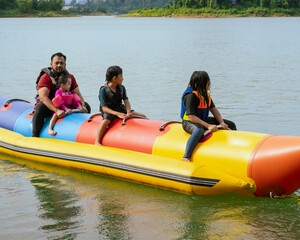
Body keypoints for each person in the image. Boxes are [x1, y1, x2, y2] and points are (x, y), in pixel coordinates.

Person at [180, 71, 236, 162]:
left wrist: (222, 122)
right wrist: (208, 126)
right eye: (207, 81)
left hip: (203, 119)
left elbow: (214, 110)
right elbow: (191, 117)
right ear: (201, 83)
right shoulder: (191, 96)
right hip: (189, 122)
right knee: (199, 130)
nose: (209, 84)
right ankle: (186, 156)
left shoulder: (205, 94)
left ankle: (234, 148)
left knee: (231, 124)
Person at [32, 52, 90, 137]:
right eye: (57, 63)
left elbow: (78, 94)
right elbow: (43, 98)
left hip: (66, 106)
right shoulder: (45, 78)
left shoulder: (70, 77)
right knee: (40, 108)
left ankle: (85, 133)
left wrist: (82, 105)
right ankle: (35, 136)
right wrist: (57, 110)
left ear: (65, 65)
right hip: (50, 106)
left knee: (87, 106)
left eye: (61, 63)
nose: (59, 65)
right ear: (51, 64)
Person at [95, 65, 146, 145]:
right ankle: (97, 141)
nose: (123, 78)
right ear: (114, 78)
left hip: (120, 109)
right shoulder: (103, 90)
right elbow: (104, 108)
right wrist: (118, 114)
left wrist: (128, 112)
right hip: (109, 111)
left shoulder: (122, 88)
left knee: (143, 116)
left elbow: (126, 101)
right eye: (121, 76)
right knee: (106, 121)